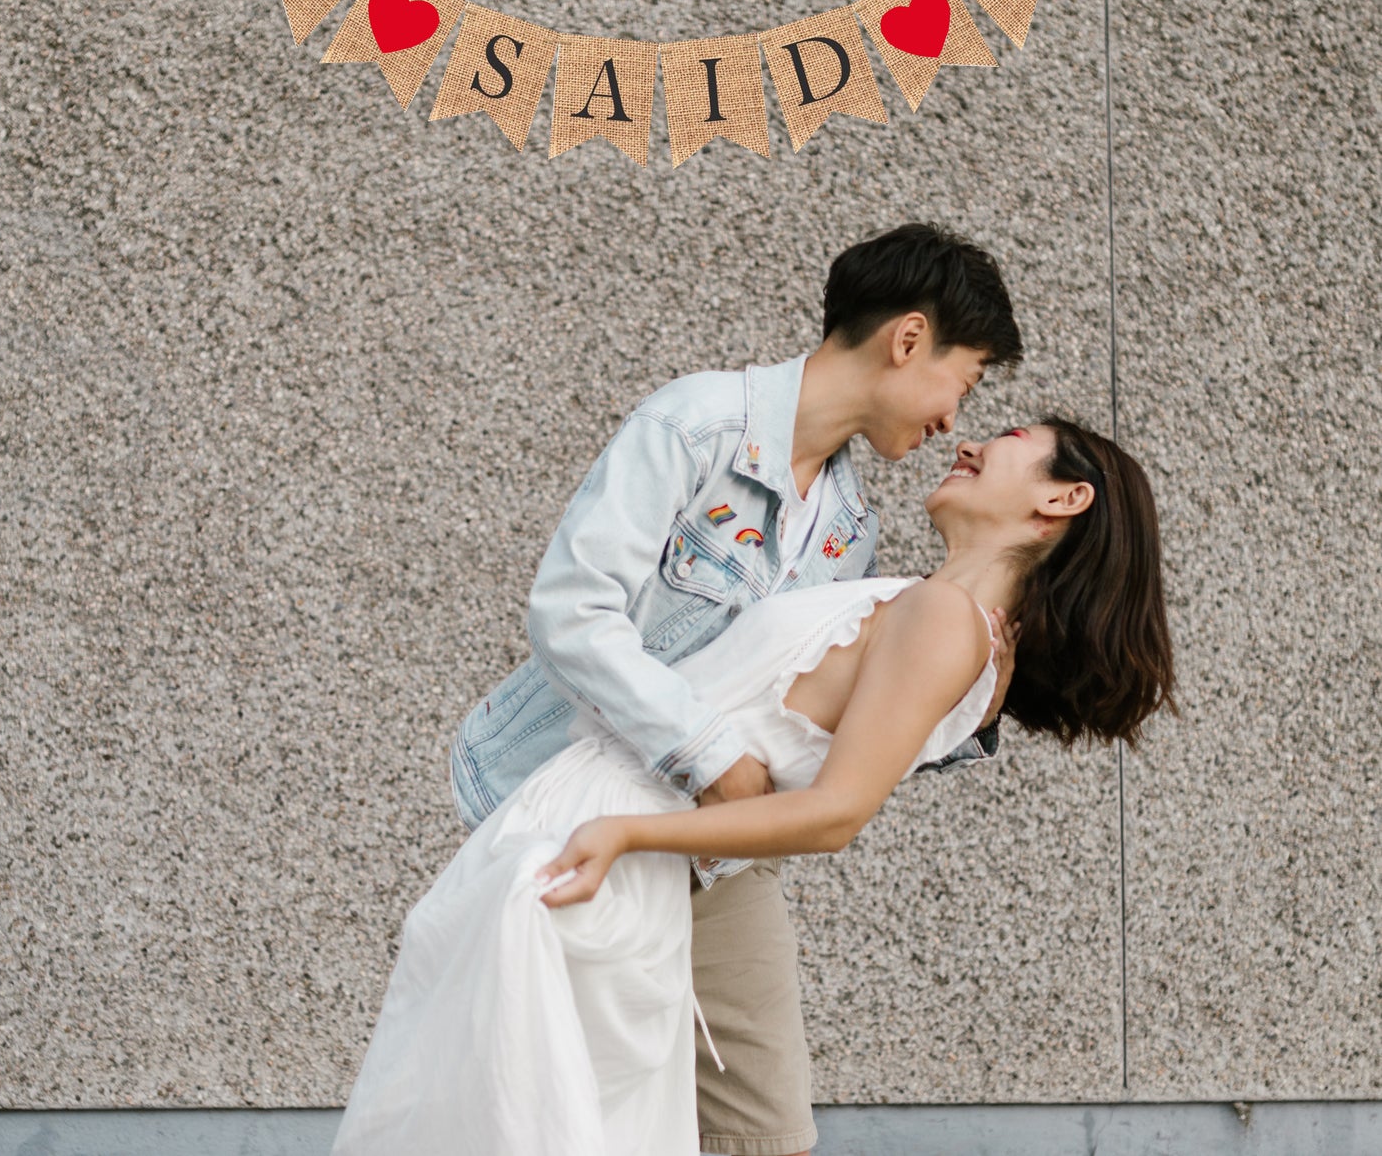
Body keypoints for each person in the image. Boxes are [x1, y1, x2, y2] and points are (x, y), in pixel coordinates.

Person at [329, 418, 1175, 1156]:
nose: (969, 440)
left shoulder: (946, 620)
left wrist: (626, 835)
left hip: (607, 845)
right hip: (602, 841)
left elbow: (834, 811)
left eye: (1010, 443)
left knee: (499, 1111)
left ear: (1063, 500)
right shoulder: (956, 626)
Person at [446, 222, 1024, 1156]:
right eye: (965, 380)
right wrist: (706, 751)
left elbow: (814, 719)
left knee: (765, 1132)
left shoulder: (847, 528)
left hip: (712, 859)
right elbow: (571, 609)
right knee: (559, 1117)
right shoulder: (695, 425)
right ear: (907, 339)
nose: (954, 420)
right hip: (566, 808)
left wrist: (972, 702)